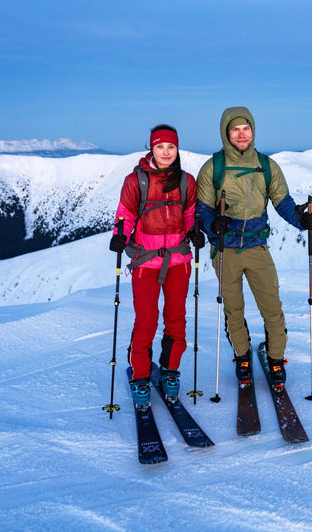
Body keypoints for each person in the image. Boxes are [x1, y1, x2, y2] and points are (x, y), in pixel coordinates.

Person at [195, 106, 312, 386]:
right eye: (235, 129)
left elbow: (283, 203)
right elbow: (201, 210)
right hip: (224, 249)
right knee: (233, 309)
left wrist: (302, 219)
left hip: (257, 247)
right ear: (226, 132)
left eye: (246, 128)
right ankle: (242, 358)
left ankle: (276, 360)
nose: (241, 134)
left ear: (253, 131)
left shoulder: (266, 165)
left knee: (272, 307)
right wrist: (213, 224)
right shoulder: (213, 167)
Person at [109, 124, 205, 409]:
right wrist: (119, 235)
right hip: (145, 262)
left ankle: (170, 371)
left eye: (171, 147)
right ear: (152, 148)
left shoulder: (186, 180)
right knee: (147, 320)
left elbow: (189, 213)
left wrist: (193, 231)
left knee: (176, 318)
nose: (166, 152)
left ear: (177, 150)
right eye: (161, 146)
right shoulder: (135, 180)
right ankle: (140, 375)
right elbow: (124, 214)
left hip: (178, 261)